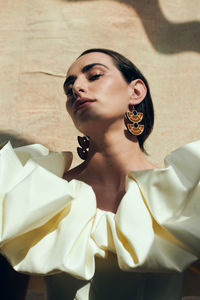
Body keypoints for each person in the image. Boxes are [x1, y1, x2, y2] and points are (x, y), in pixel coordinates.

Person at [0, 49, 199, 300]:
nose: (77, 88)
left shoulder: (186, 193)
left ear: (135, 91)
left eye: (94, 75)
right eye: (68, 87)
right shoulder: (34, 191)